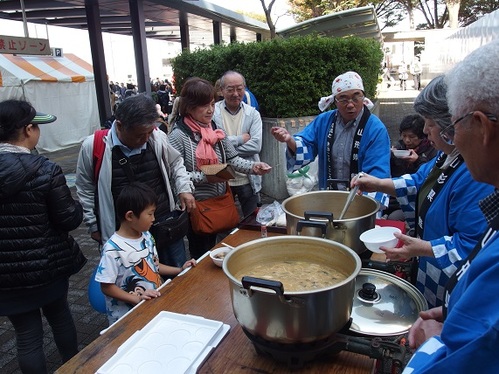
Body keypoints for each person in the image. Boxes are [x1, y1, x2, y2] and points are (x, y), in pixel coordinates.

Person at [352, 76, 494, 309]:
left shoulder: (477, 174)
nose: (426, 130)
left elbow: (473, 248)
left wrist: (422, 248)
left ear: (452, 123)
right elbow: (419, 181)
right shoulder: (448, 155)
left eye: (430, 123)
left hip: (450, 286)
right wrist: (377, 183)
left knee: (436, 320)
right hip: (429, 267)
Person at [402, 38, 499, 373]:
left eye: (455, 127)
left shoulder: (477, 179)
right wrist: (456, 309)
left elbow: (467, 357)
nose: (449, 138)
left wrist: (435, 342)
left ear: (482, 127)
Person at [0, 99, 87, 373]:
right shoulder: (45, 169)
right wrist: (77, 206)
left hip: (5, 273)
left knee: (27, 336)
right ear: (27, 130)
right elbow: (69, 219)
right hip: (46, 265)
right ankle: (73, 367)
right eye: (36, 127)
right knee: (60, 318)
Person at [75, 94, 196, 268]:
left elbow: (176, 163)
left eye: (149, 132)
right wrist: (93, 224)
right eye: (139, 135)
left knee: (177, 274)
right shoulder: (94, 146)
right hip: (123, 232)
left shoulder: (157, 137)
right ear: (120, 126)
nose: (146, 138)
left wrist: (183, 188)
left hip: (164, 223)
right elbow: (85, 188)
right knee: (135, 282)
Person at [168, 77, 272, 258]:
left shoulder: (213, 129)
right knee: (201, 255)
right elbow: (175, 177)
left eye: (212, 104)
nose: (210, 110)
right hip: (197, 208)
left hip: (219, 202)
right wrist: (206, 177)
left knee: (221, 250)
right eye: (204, 106)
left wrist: (254, 167)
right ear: (189, 107)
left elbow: (232, 159)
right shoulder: (178, 136)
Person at [271, 71, 391, 207]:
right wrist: (289, 140)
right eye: (344, 99)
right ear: (335, 100)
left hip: (361, 200)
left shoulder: (375, 129)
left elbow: (378, 174)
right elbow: (307, 144)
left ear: (363, 97)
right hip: (329, 198)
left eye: (356, 97)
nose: (350, 104)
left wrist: (366, 204)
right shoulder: (324, 121)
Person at [95, 182, 196, 325]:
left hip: (151, 308)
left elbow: (154, 265)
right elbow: (106, 286)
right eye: (150, 214)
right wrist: (137, 299)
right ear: (130, 216)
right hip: (126, 320)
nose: (154, 218)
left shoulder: (146, 236)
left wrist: (180, 270)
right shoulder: (113, 249)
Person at [213, 71, 263, 218]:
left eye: (239, 89)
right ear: (221, 91)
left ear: (244, 88)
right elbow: (213, 146)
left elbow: (256, 146)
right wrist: (240, 139)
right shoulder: (212, 112)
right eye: (230, 89)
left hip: (247, 176)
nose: (235, 93)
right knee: (222, 223)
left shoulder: (253, 114)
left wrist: (225, 146)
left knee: (251, 222)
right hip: (222, 178)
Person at [390, 113, 437, 177]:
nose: (407, 140)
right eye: (404, 136)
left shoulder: (432, 150)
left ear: (422, 136)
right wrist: (390, 156)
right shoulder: (399, 147)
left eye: (412, 137)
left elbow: (431, 173)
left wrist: (417, 160)